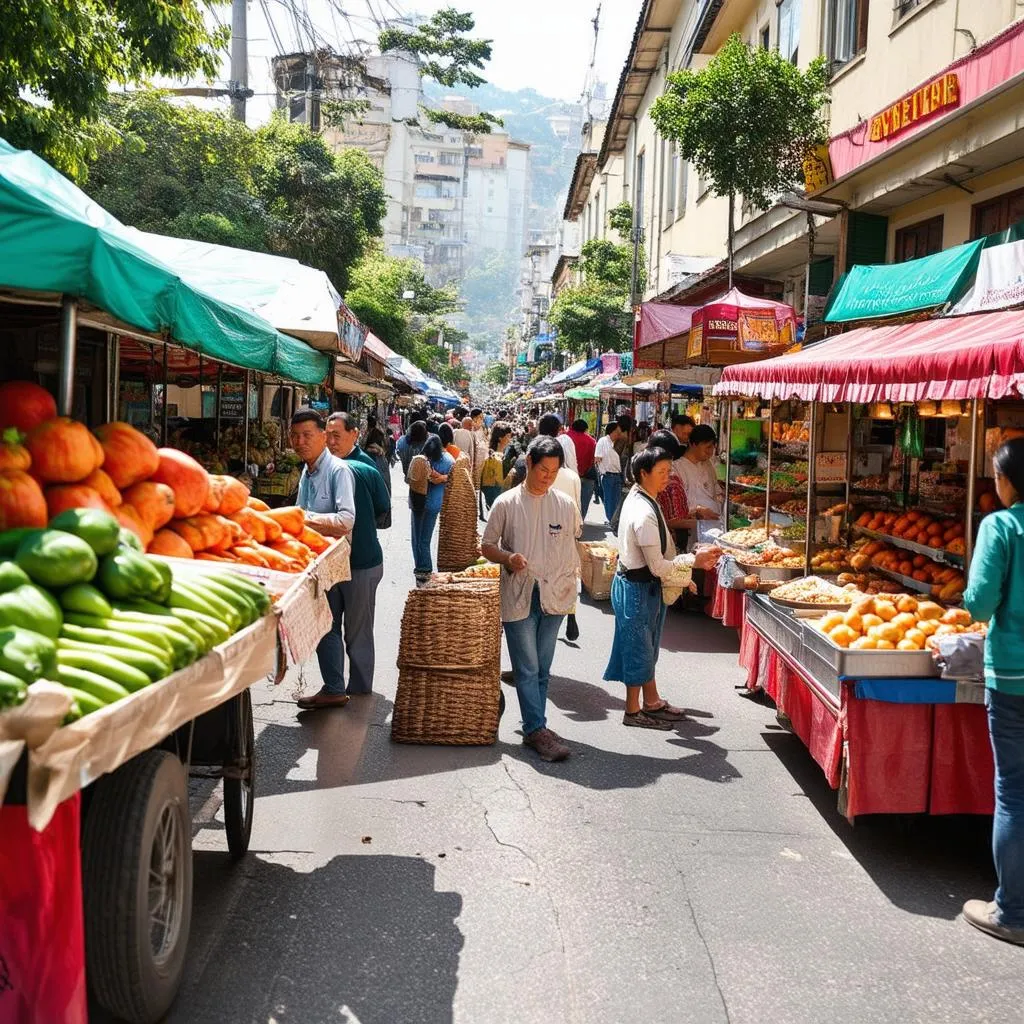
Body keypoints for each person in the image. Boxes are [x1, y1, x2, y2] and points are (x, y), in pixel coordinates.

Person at [604, 446, 721, 728]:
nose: (668, 477)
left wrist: (684, 573)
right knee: (638, 650)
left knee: (646, 647)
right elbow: (657, 566)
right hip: (637, 587)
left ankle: (651, 702)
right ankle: (633, 712)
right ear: (643, 474)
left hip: (642, 587)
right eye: (661, 472)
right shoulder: (643, 512)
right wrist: (693, 562)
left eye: (669, 471)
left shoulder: (644, 497)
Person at [482, 436, 581, 763]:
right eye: (543, 470)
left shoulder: (565, 505)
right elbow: (487, 546)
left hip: (554, 596)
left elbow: (571, 547)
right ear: (529, 464)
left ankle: (534, 725)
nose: (548, 477)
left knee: (543, 668)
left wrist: (571, 593)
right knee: (526, 667)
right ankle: (536, 728)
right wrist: (509, 558)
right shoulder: (507, 503)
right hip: (519, 593)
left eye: (554, 471)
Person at [962, 437, 1024, 945]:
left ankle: (1012, 911)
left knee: (1015, 792)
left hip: (1013, 676)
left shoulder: (1002, 526)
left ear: (1007, 482)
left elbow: (980, 604)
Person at [289, 408, 357, 711]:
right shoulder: (308, 470)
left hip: (333, 563)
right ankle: (333, 686)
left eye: (307, 435)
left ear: (322, 437)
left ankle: (334, 688)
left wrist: (303, 518)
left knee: (327, 624)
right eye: (295, 436)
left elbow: (346, 520)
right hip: (312, 561)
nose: (300, 441)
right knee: (323, 623)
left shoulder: (338, 470)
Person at [323, 413, 391, 696]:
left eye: (337, 435)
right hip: (328, 563)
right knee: (326, 626)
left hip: (361, 563)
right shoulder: (321, 468)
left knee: (357, 632)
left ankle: (360, 689)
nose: (331, 441)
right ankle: (334, 687)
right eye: (327, 435)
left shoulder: (365, 467)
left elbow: (382, 510)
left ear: (355, 434)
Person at [408, 435, 453, 581]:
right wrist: (443, 478)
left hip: (420, 504)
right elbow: (454, 477)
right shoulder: (449, 460)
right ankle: (424, 569)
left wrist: (438, 477)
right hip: (434, 504)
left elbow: (410, 479)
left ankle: (423, 569)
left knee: (418, 539)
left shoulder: (421, 459)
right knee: (425, 539)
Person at [675, 424, 723, 541]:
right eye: (707, 447)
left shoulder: (708, 464)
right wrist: (697, 510)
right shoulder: (677, 468)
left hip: (715, 526)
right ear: (693, 444)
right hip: (694, 532)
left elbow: (715, 490)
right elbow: (677, 505)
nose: (711, 452)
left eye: (713, 447)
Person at [568, 419, 598, 520]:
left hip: (570, 475)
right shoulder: (591, 441)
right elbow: (592, 460)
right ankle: (580, 524)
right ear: (585, 429)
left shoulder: (566, 437)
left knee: (569, 501)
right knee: (584, 503)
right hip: (587, 475)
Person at [595, 421, 623, 527]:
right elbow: (597, 458)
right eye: (617, 432)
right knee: (609, 500)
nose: (619, 434)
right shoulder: (603, 441)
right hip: (607, 475)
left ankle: (614, 521)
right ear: (611, 431)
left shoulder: (618, 443)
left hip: (617, 475)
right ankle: (611, 521)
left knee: (616, 500)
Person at [482, 422, 513, 510]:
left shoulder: (502, 455)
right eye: (508, 436)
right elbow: (492, 487)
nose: (509, 439)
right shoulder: (493, 458)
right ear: (500, 438)